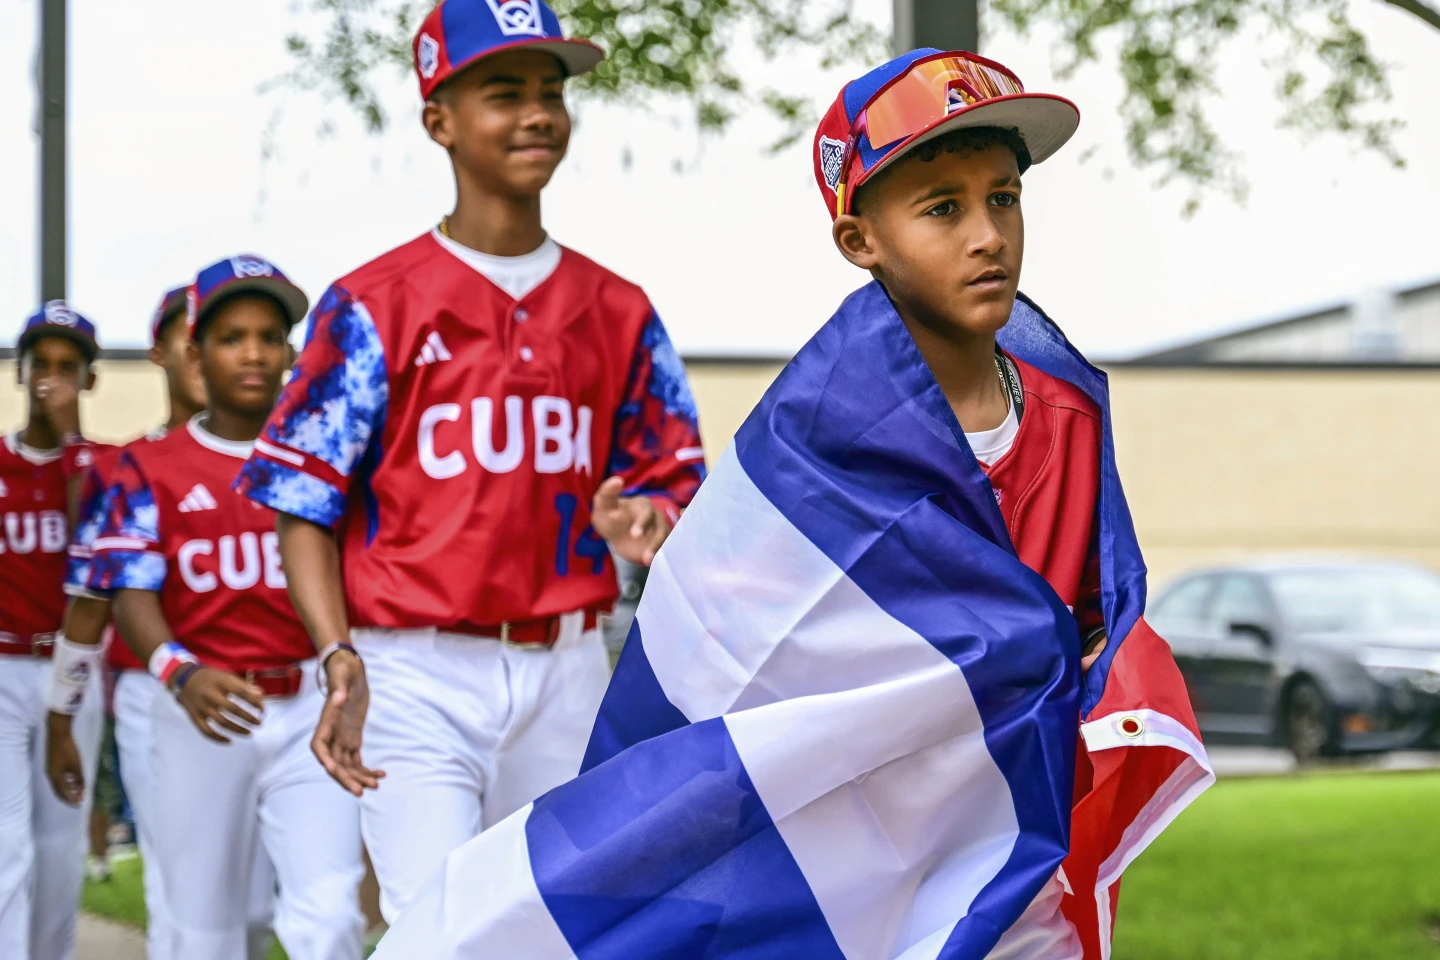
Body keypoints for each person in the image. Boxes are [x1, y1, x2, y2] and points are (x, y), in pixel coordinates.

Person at [371, 48, 1210, 960]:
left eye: (1003, 197)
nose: (988, 235)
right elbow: (741, 655)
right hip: (854, 835)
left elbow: (1090, 610)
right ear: (861, 242)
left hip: (1015, 828)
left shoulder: (1068, 408)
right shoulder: (819, 430)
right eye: (942, 208)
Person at [234, 0, 707, 924]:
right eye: (504, 92)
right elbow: (303, 502)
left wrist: (649, 517)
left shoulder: (619, 308)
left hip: (567, 663)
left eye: (550, 91)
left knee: (553, 923)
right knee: (438, 925)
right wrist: (339, 656)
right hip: (412, 669)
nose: (537, 113)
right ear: (440, 119)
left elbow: (672, 476)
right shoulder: (370, 304)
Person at [89, 256, 365, 960]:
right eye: (232, 336)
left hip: (310, 708)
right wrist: (178, 670)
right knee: (202, 932)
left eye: (269, 337)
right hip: (203, 711)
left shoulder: (324, 460)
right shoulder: (149, 467)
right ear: (197, 352)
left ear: (289, 354)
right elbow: (130, 594)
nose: (253, 353)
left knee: (331, 920)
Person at [45, 284, 278, 959]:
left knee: (258, 906)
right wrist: (64, 711)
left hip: (270, 694)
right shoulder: (124, 466)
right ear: (171, 351)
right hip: (158, 696)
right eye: (207, 336)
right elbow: (86, 597)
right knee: (185, 898)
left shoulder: (277, 461)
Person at [0, 302, 101, 960]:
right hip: (4, 665)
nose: (52, 379)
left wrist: (74, 443)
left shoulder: (101, 469)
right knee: (6, 846)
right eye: (42, 364)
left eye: (69, 367)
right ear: (20, 371)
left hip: (75, 671)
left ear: (89, 380)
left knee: (62, 848)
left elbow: (91, 552)